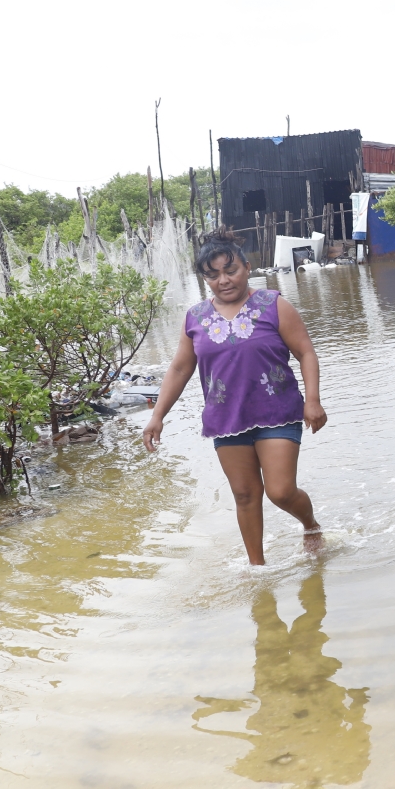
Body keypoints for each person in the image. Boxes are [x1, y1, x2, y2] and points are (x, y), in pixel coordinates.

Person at [143, 228, 328, 563]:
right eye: (213, 275)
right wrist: (157, 415)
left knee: (280, 492)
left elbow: (305, 353)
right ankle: (258, 569)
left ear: (247, 266)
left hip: (278, 412)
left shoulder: (273, 305)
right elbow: (180, 369)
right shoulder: (195, 318)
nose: (223, 280)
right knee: (244, 495)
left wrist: (312, 400)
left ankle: (311, 526)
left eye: (231, 271)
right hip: (226, 420)